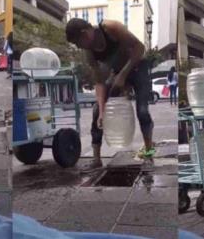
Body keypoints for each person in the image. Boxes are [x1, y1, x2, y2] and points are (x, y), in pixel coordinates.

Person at [66, 18, 154, 171]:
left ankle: (149, 154)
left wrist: (123, 75)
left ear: (85, 34)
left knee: (143, 111)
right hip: (118, 73)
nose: (78, 47)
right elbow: (99, 82)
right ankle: (96, 159)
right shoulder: (90, 53)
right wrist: (101, 112)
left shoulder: (110, 27)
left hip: (138, 67)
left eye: (77, 42)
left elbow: (140, 48)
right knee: (96, 111)